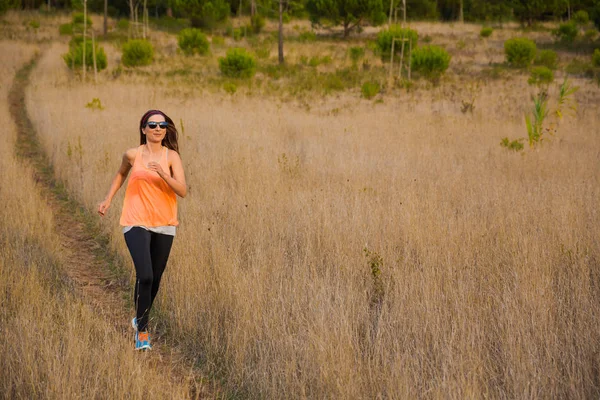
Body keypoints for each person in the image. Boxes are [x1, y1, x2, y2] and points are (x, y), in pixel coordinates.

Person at [98, 110, 187, 351]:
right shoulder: (132, 154)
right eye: (152, 124)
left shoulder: (172, 157)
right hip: (135, 220)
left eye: (162, 125)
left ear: (166, 130)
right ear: (143, 129)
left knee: (155, 279)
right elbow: (120, 174)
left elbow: (182, 190)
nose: (158, 128)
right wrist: (107, 199)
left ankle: (140, 316)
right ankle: (143, 332)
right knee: (145, 275)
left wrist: (163, 174)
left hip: (164, 223)